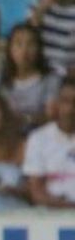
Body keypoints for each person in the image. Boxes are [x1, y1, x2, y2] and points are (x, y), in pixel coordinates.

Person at [0, 23, 62, 132]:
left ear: (39, 49)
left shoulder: (51, 79)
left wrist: (26, 119)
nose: (24, 50)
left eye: (31, 44)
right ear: (10, 48)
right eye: (18, 43)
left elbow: (51, 116)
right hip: (2, 134)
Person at [24, 77, 75, 209]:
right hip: (50, 216)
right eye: (66, 101)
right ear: (56, 104)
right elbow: (36, 191)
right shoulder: (38, 138)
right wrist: (67, 206)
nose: (70, 109)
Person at [30, 0, 75, 73]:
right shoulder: (36, 4)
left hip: (64, 74)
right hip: (37, 71)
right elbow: (27, 39)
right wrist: (40, 11)